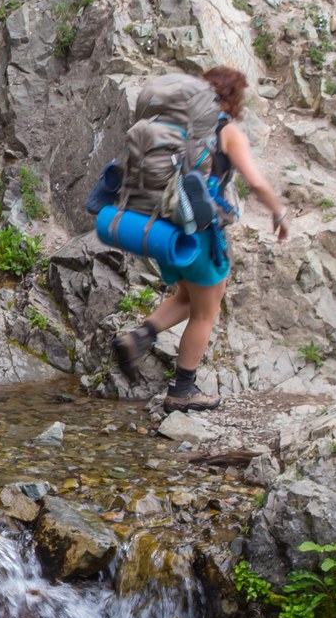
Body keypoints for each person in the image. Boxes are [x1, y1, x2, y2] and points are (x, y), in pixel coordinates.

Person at [110, 65, 291, 410]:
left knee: (187, 297)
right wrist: (278, 214)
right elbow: (255, 181)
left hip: (165, 227)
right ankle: (182, 391)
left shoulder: (180, 127)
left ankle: (138, 338)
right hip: (202, 232)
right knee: (206, 312)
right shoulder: (226, 130)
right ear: (234, 98)